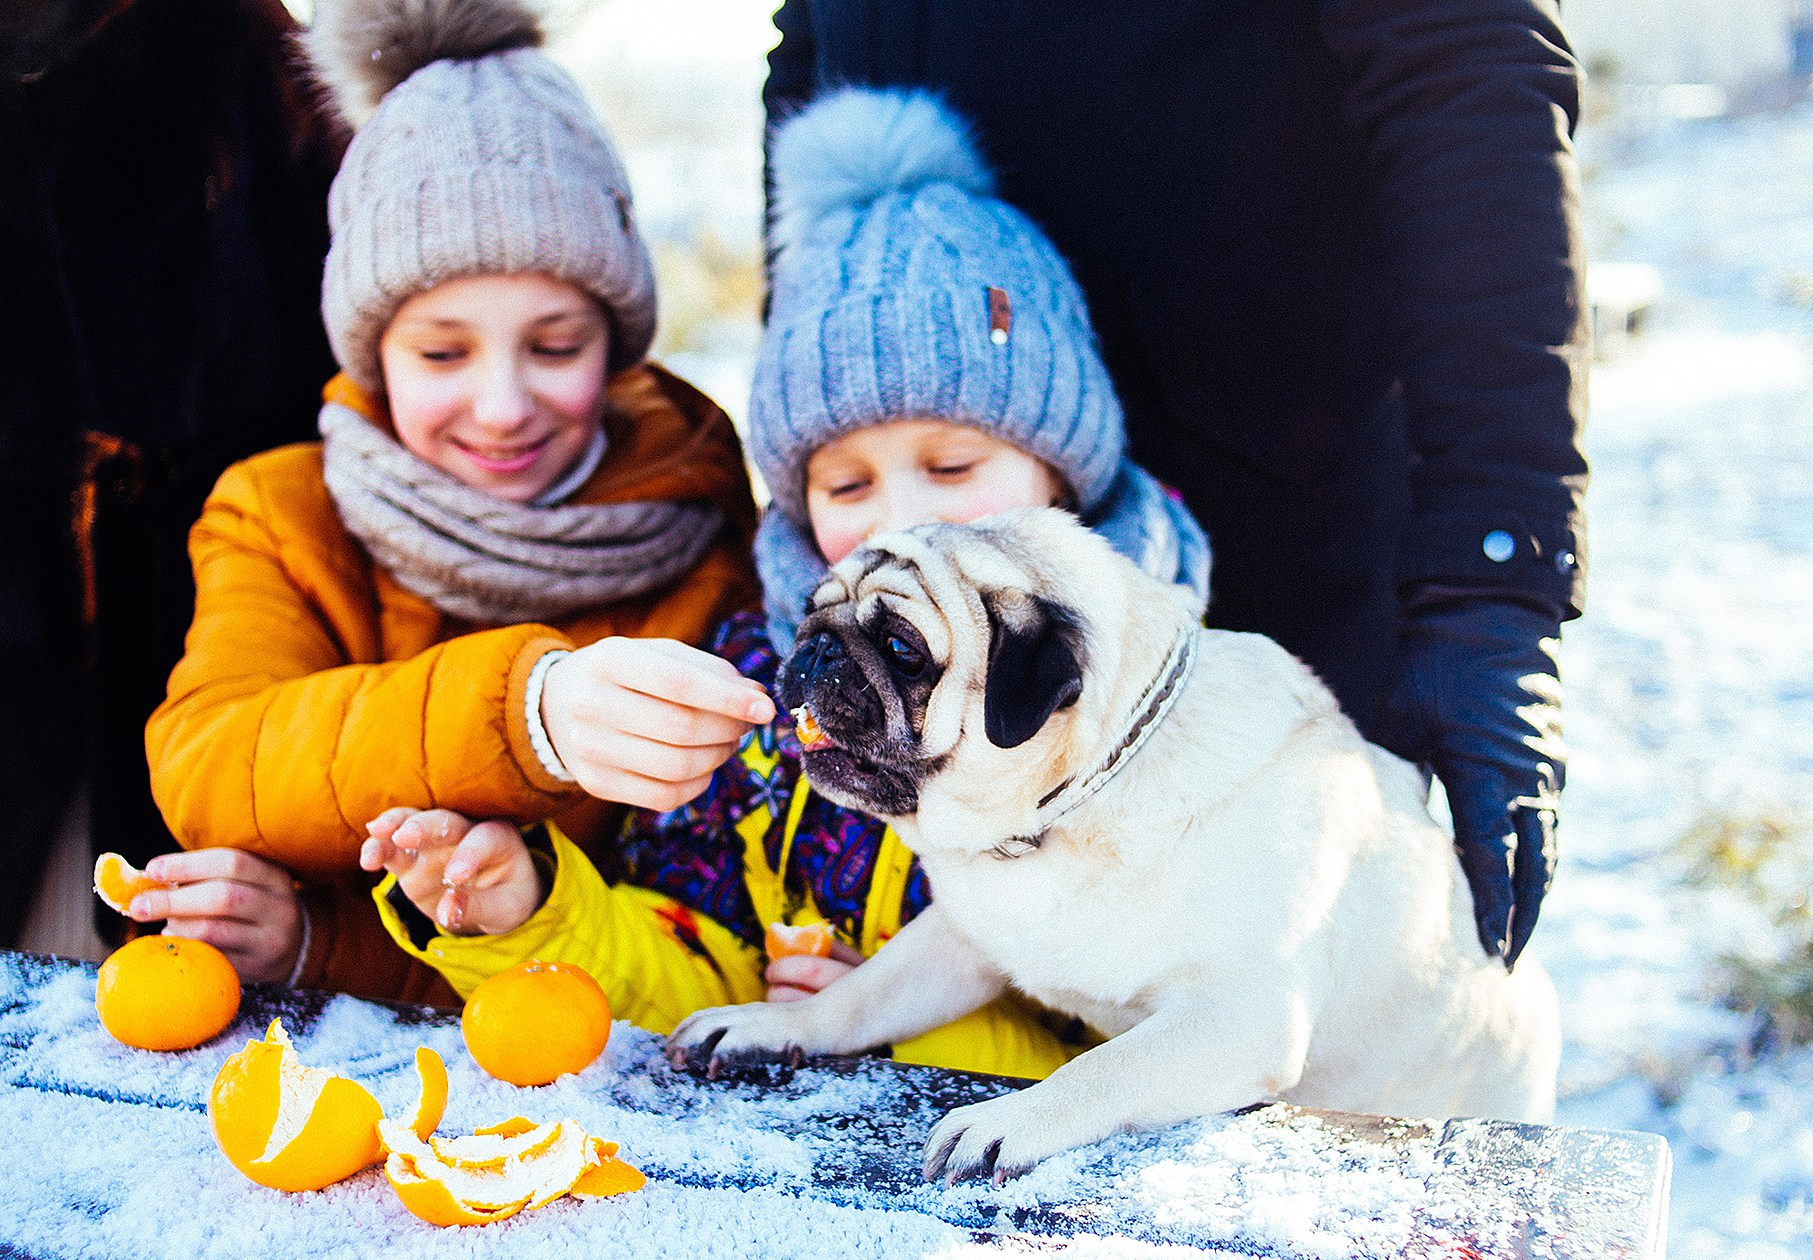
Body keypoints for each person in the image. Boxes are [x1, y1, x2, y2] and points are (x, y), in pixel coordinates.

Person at [357, 88, 1211, 1079]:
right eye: (847, 483)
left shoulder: (1154, 717)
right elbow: (691, 966)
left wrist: (891, 1014)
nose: (897, 520)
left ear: (1060, 472)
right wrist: (533, 912)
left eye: (952, 467)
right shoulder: (765, 690)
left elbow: (1175, 1046)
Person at [760, 0, 1590, 969]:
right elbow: (812, 47)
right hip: (937, 470)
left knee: (1273, 1017)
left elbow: (1464, 63)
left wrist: (1486, 580)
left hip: (1271, 526)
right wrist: (820, 368)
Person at [132, 0, 766, 1004]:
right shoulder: (278, 511)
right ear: (372, 351)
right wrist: (529, 712)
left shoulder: (705, 541)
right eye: (442, 352)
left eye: (555, 345)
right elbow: (216, 761)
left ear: (616, 342)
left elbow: (673, 919)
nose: (502, 405)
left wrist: (321, 941)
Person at [0, 0, 342, 951]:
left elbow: (317, 339)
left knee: (156, 961)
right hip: (29, 591)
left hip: (204, 585)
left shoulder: (251, 53)